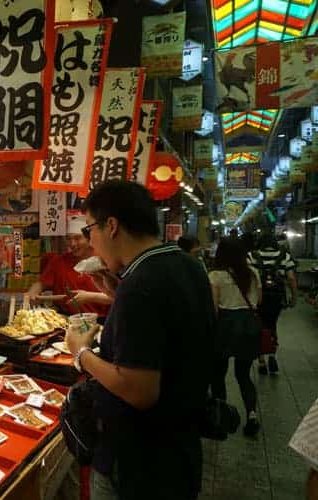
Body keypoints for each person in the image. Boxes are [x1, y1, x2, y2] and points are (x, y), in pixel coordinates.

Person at [65, 180, 213, 500]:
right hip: (180, 452)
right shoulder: (188, 266)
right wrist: (116, 294)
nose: (91, 244)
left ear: (112, 226)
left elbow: (139, 390)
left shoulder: (141, 284)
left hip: (137, 463)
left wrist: (82, 354)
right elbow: (168, 332)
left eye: (90, 230)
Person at [208, 237, 262, 436]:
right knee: (243, 375)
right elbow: (259, 300)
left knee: (218, 375)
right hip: (249, 325)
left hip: (225, 325)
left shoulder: (215, 276)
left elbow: (213, 308)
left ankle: (221, 417)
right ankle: (252, 414)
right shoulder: (253, 272)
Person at [27, 212, 111, 317]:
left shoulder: (105, 260)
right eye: (68, 239)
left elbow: (116, 298)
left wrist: (89, 296)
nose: (72, 244)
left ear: (89, 238)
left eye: (77, 238)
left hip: (101, 320)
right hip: (66, 320)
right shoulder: (59, 261)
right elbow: (40, 284)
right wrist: (33, 293)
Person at [249, 233, 298, 375]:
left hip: (258, 297)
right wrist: (294, 297)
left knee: (259, 326)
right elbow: (291, 279)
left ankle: (261, 361)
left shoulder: (252, 255)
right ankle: (272, 355)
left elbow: (248, 277)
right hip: (276, 299)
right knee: (272, 325)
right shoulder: (285, 256)